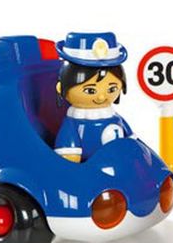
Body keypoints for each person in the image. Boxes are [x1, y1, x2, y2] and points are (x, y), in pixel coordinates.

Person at [54, 32, 133, 163]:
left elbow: (131, 141)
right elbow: (68, 148)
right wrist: (71, 160)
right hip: (89, 166)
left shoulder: (115, 118)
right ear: (61, 87)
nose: (101, 97)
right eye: (90, 90)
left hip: (118, 164)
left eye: (111, 89)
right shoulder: (73, 123)